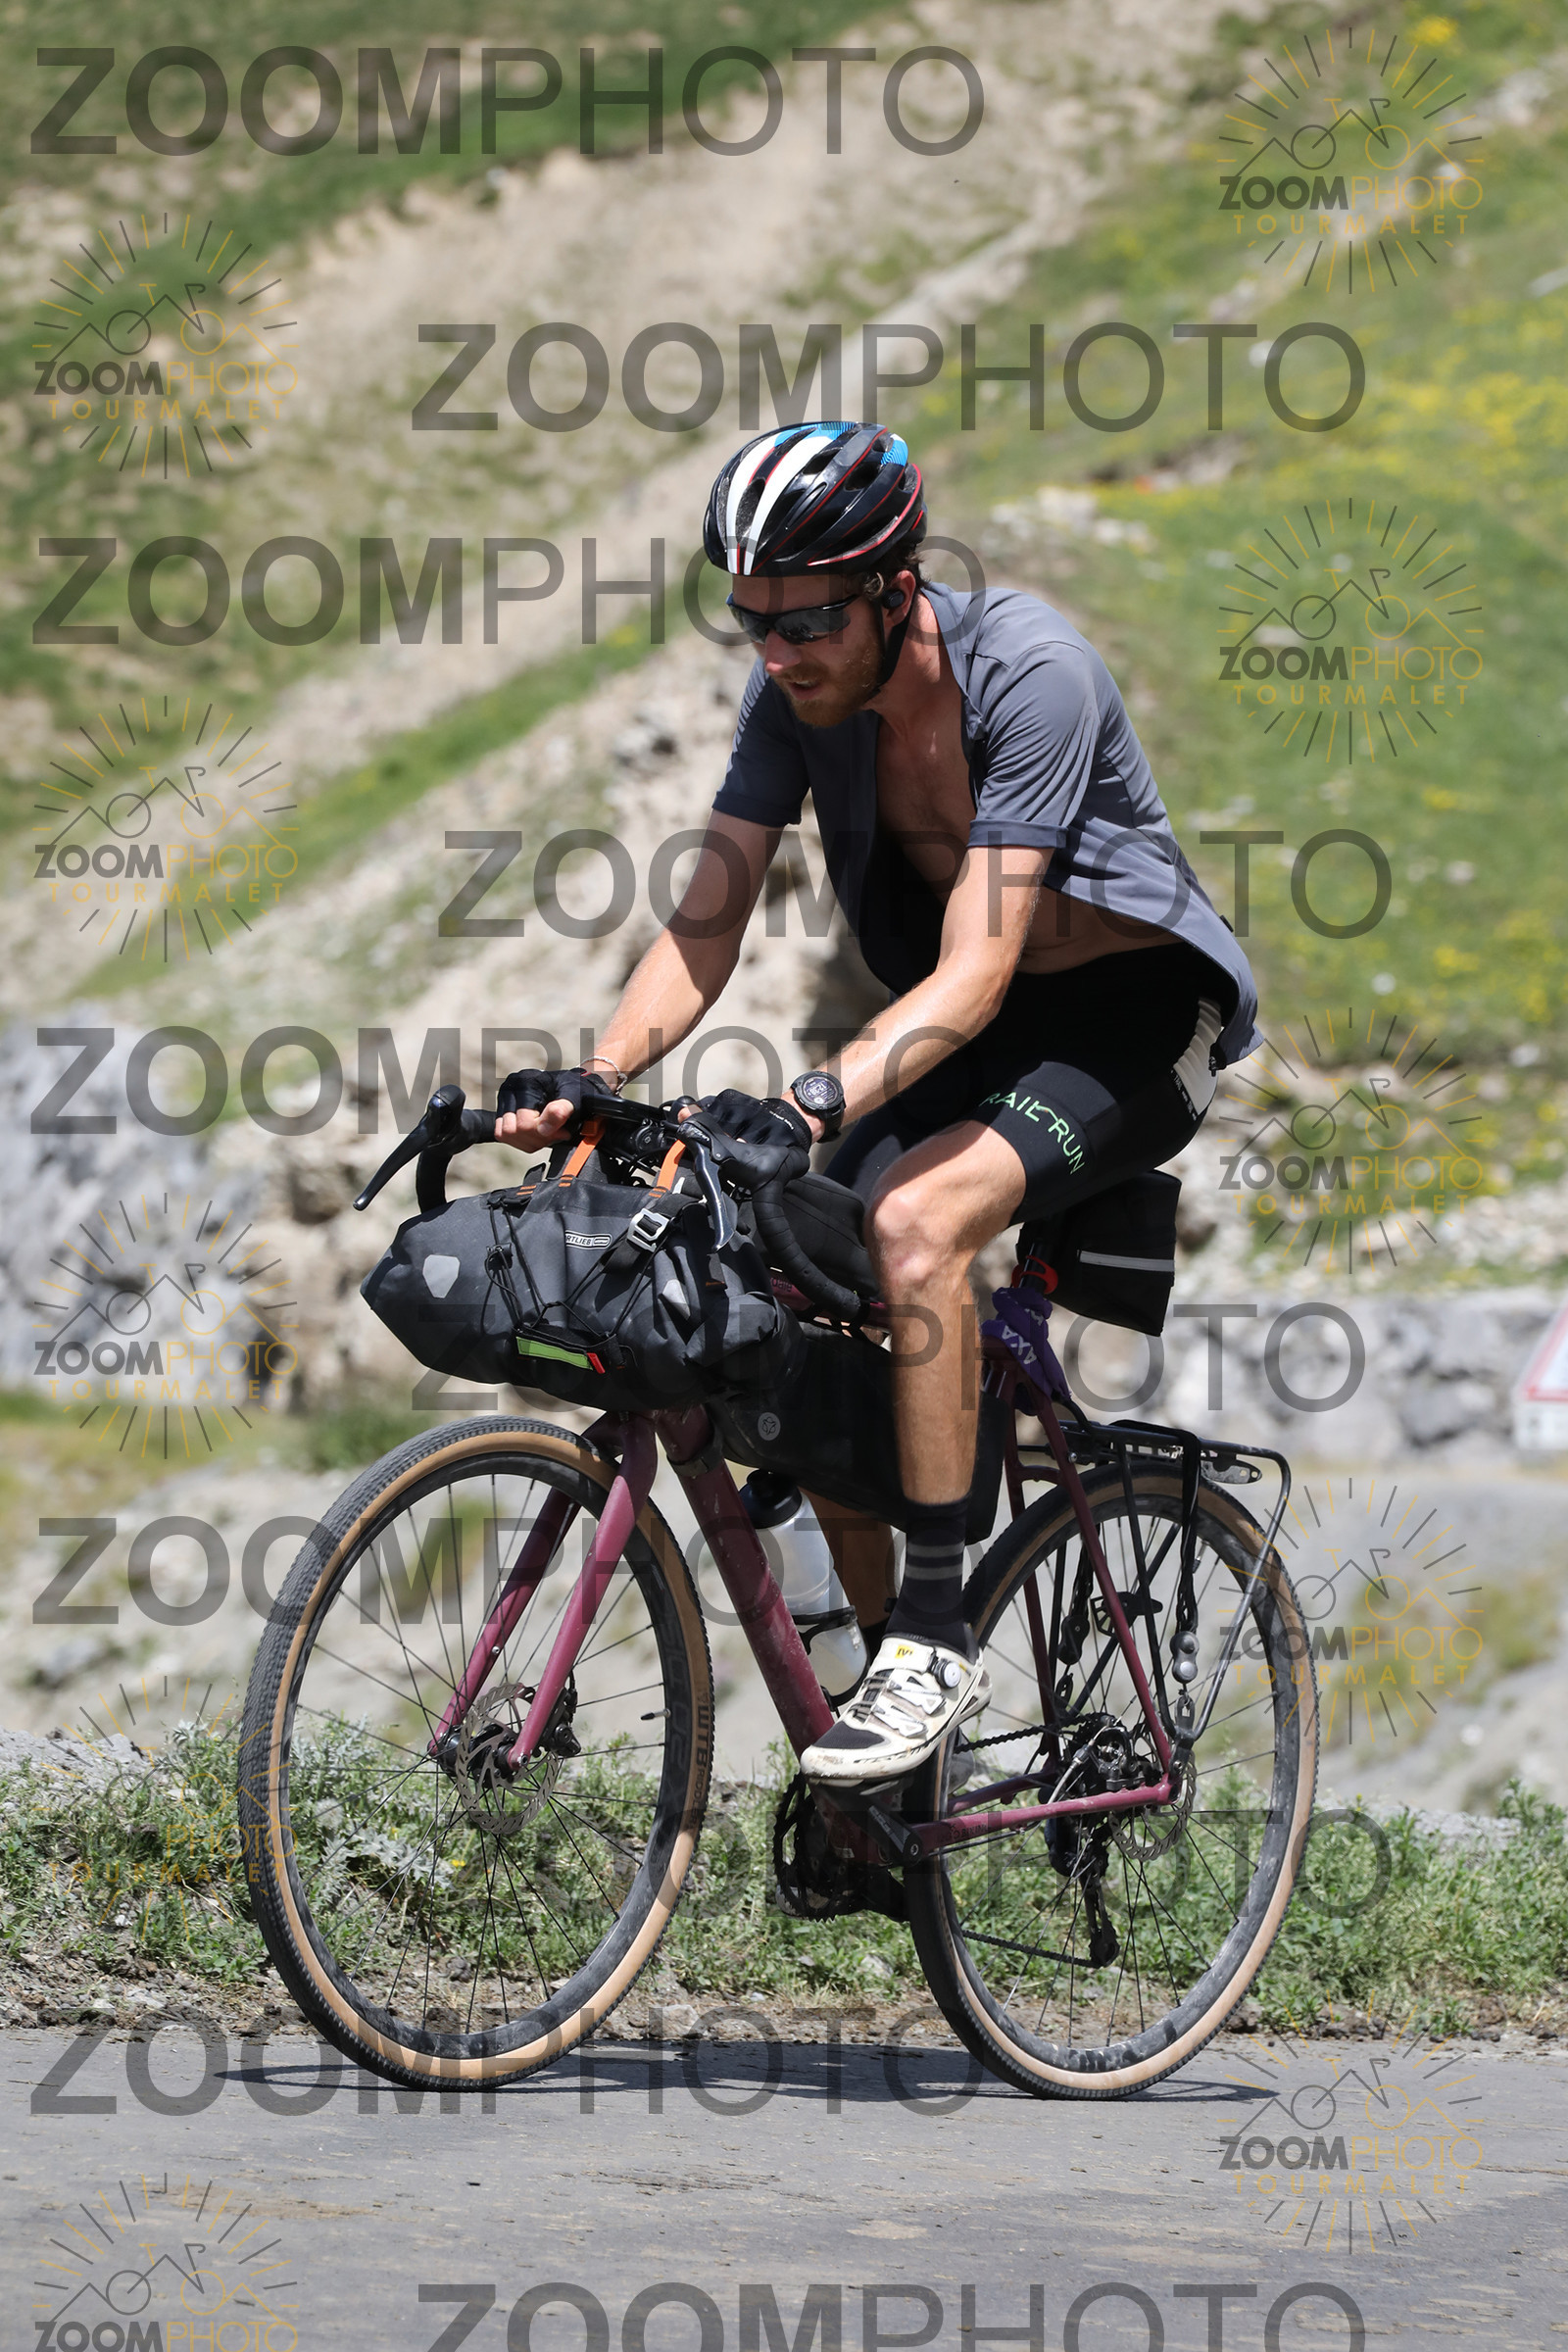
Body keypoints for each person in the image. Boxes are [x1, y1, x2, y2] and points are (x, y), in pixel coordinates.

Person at [493, 420, 1257, 1785]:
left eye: (808, 623)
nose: (778, 654)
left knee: (914, 1225)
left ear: (897, 588)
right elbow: (705, 925)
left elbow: (976, 970)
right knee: (800, 1274)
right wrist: (599, 1084)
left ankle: (935, 1640)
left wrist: (812, 1098)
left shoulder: (1031, 673)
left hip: (1135, 1021)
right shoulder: (793, 700)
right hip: (970, 1026)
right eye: (753, 623)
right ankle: (886, 1744)